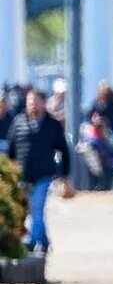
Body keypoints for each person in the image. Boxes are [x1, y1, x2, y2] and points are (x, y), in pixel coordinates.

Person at [5, 89, 74, 254]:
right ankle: (43, 241)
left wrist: (64, 175)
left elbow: (63, 149)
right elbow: (11, 149)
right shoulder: (18, 122)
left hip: (43, 175)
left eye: (35, 102)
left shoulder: (52, 124)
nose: (32, 105)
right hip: (22, 176)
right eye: (30, 102)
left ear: (43, 103)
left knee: (37, 207)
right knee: (26, 211)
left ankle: (33, 241)